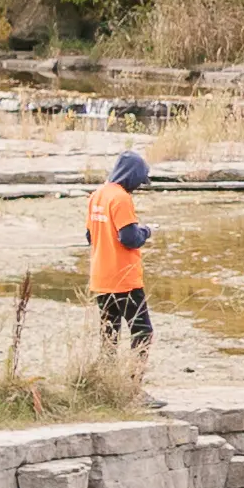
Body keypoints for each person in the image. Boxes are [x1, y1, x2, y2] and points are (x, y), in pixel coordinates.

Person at [87, 147, 153, 350]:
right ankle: (133, 378)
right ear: (131, 176)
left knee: (109, 334)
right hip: (124, 279)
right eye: (139, 181)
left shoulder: (96, 196)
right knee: (143, 331)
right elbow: (130, 238)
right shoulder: (121, 198)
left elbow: (90, 236)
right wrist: (147, 231)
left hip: (101, 278)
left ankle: (107, 377)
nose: (138, 187)